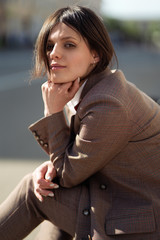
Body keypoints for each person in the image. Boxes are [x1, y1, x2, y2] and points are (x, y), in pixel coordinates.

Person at [0, 5, 160, 240]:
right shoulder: (92, 87)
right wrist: (51, 169)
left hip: (137, 221)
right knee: (47, 188)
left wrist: (52, 111)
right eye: (49, 45)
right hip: (113, 199)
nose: (54, 53)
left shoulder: (108, 102)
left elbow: (69, 174)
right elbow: (75, 158)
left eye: (69, 45)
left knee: (32, 193)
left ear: (95, 54)